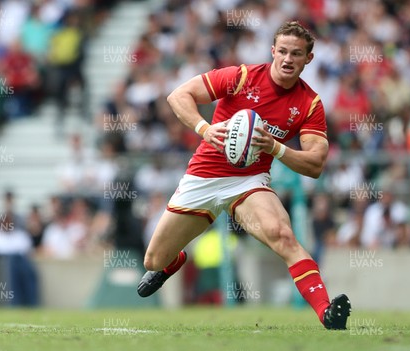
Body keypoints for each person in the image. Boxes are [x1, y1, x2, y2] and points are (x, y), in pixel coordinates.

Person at [137, 21, 350, 330]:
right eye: (284, 52)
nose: (288, 59)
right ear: (273, 51)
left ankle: (326, 312)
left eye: (297, 54)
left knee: (284, 237)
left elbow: (316, 164)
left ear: (309, 59)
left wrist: (275, 148)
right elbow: (178, 96)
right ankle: (173, 260)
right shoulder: (242, 77)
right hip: (204, 176)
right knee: (153, 261)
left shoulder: (310, 103)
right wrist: (206, 129)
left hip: (249, 183)